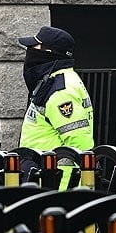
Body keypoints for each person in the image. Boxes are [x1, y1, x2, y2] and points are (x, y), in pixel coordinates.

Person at [18, 26, 95, 189]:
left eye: (35, 47)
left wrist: (69, 187)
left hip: (55, 184)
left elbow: (79, 143)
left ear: (48, 52)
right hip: (43, 176)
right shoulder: (52, 81)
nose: (29, 50)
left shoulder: (61, 90)